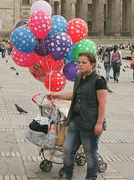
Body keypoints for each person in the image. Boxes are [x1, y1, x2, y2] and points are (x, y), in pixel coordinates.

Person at [48, 52, 107, 180]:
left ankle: (91, 177)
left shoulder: (99, 80)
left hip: (90, 122)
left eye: (84, 62)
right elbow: (75, 95)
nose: (80, 65)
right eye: (79, 62)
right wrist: (57, 95)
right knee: (68, 149)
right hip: (75, 119)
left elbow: (103, 103)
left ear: (93, 64)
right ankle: (67, 174)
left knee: (90, 153)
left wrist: (99, 123)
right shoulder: (79, 77)